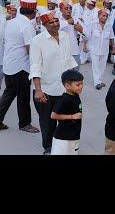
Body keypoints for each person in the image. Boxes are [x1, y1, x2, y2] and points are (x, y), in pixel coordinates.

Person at [29, 12, 78, 155]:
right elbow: (35, 66)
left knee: (67, 120)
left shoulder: (65, 36)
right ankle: (49, 147)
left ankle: (65, 145)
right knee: (48, 122)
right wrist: (38, 90)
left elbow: (69, 61)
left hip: (64, 89)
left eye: (57, 21)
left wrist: (74, 85)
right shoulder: (37, 41)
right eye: (51, 22)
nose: (56, 24)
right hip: (46, 90)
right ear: (44, 25)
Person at [0, 0, 39, 133]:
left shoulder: (11, 22)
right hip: (21, 66)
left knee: (9, 93)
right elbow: (30, 48)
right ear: (33, 11)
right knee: (23, 97)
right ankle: (24, 123)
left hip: (9, 64)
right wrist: (38, 65)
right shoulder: (27, 25)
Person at [50, 69, 84, 155]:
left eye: (81, 84)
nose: (81, 86)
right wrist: (72, 117)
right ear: (67, 86)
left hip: (74, 136)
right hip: (63, 138)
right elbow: (53, 115)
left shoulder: (76, 95)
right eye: (78, 85)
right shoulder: (63, 100)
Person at [83, 8, 115, 90]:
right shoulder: (92, 24)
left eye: (106, 16)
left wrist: (113, 47)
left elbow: (111, 37)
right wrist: (84, 45)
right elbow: (86, 35)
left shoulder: (109, 25)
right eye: (103, 15)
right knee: (96, 67)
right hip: (94, 49)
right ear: (99, 16)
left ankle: (99, 81)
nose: (105, 17)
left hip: (105, 50)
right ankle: (97, 83)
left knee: (102, 66)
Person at [58, 0, 83, 68]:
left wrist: (81, 30)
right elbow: (55, 28)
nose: (69, 10)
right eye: (66, 8)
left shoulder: (76, 20)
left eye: (70, 8)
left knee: (76, 74)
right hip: (62, 53)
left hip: (74, 51)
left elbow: (87, 35)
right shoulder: (57, 20)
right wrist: (67, 22)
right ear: (60, 10)